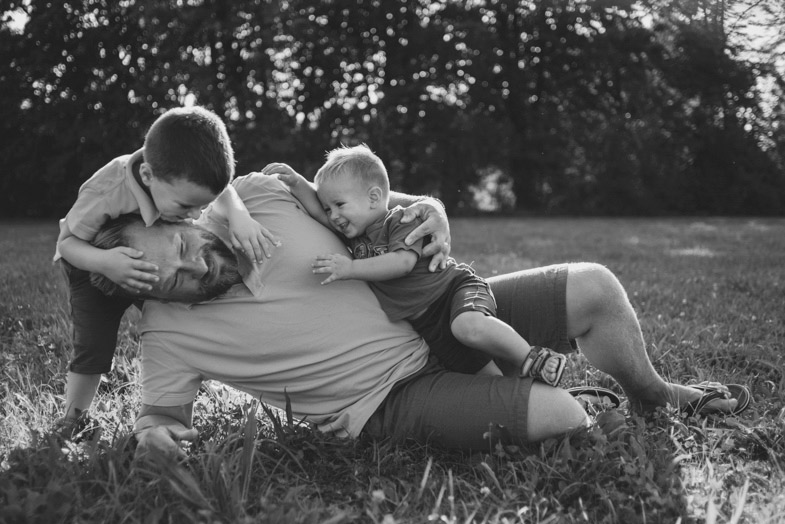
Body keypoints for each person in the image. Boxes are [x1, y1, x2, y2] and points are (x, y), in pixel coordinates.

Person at [87, 172, 750, 457]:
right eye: (169, 280)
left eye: (178, 246)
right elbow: (158, 417)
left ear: (178, 217)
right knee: (565, 417)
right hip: (391, 399)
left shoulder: (261, 194)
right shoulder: (167, 337)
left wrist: (427, 206)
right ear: (152, 297)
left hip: (435, 312)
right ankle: (555, 398)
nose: (191, 267)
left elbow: (368, 197)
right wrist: (152, 435)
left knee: (595, 286)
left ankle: (656, 397)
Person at [52, 106, 278, 436]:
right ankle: (73, 416)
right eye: (187, 207)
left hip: (159, 265)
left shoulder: (179, 179)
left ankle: (194, 374)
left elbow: (222, 192)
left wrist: (238, 215)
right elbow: (69, 242)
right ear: (147, 176)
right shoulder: (107, 190)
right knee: (93, 345)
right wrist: (107, 263)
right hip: (93, 267)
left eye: (203, 204)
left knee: (182, 319)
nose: (198, 213)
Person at [264, 145, 565, 385]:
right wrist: (296, 182)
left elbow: (402, 263)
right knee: (487, 381)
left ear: (373, 198)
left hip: (454, 292)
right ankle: (531, 396)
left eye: (339, 205)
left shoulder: (401, 220)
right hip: (429, 325)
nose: (334, 216)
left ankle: (534, 359)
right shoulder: (355, 238)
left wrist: (350, 269)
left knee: (468, 326)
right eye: (329, 208)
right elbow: (317, 212)